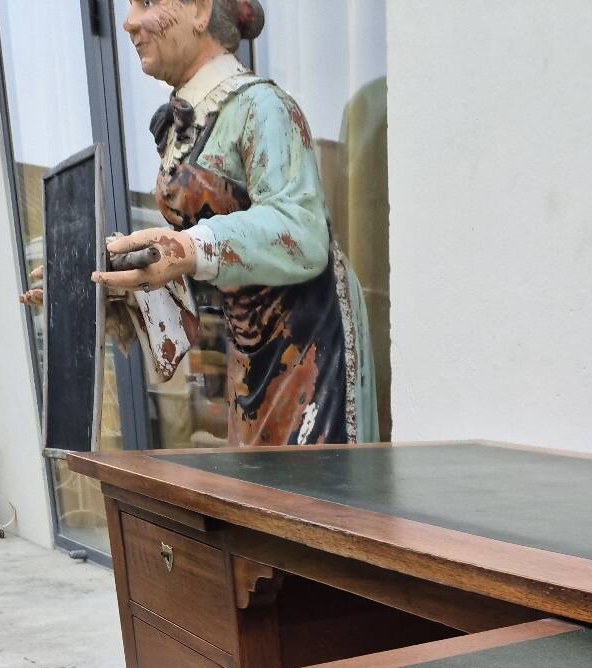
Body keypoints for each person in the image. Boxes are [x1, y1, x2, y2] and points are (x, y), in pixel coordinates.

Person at [28, 0, 378, 448]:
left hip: (306, 342)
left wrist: (186, 250)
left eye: (147, 2)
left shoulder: (262, 106)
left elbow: (303, 233)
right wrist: (105, 282)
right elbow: (198, 265)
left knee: (305, 495)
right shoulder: (187, 127)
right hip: (250, 345)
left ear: (198, 9)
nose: (129, 21)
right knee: (258, 490)